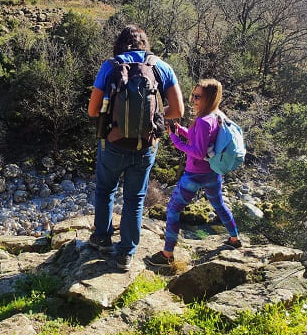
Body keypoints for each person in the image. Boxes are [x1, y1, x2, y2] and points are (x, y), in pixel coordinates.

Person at [88, 25, 184, 270]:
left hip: (113, 143)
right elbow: (178, 111)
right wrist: (152, 119)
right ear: (145, 44)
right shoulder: (160, 67)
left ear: (120, 44)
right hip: (145, 146)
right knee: (135, 198)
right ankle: (126, 253)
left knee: (105, 190)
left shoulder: (110, 66)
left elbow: (92, 110)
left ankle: (102, 237)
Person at [147, 79, 241, 267]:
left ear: (209, 98)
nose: (193, 99)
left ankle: (167, 255)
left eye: (198, 96)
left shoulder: (204, 121)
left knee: (173, 210)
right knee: (219, 205)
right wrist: (180, 130)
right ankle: (234, 239)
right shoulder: (216, 116)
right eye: (193, 95)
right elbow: (201, 141)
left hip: (194, 174)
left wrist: (175, 139)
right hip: (213, 173)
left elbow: (198, 152)